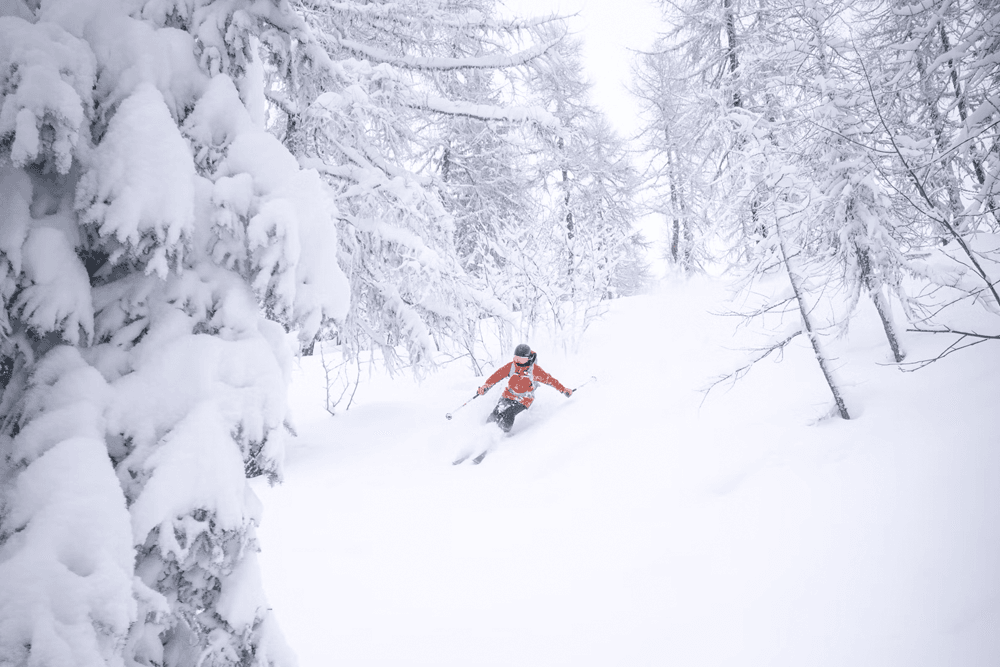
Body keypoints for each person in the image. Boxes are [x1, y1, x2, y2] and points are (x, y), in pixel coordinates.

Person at [477, 343, 572, 433]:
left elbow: (550, 380)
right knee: (497, 411)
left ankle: (501, 435)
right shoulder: (511, 366)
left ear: (528, 358)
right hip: (509, 394)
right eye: (516, 358)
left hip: (524, 398)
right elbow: (496, 376)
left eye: (521, 360)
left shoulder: (534, 370)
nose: (518, 362)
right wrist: (485, 387)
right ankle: (484, 431)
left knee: (509, 412)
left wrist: (563, 390)